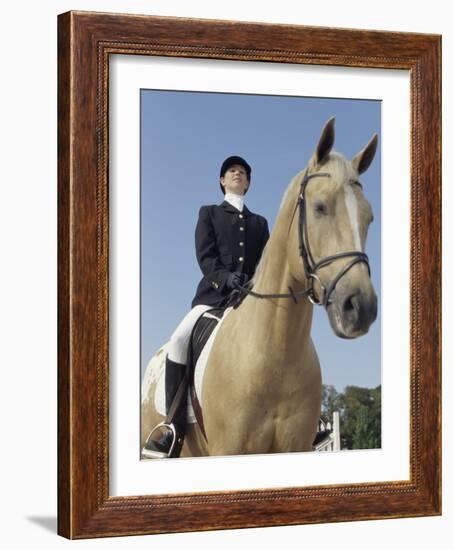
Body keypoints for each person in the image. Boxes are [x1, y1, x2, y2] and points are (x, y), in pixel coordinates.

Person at [144, 156, 270, 458]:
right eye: (232, 171)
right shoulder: (209, 213)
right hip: (213, 298)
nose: (237, 174)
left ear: (249, 183)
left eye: (243, 172)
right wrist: (225, 278)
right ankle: (172, 427)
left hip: (250, 300)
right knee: (178, 340)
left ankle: (305, 415)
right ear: (222, 181)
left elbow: (268, 262)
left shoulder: (260, 223)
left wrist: (255, 284)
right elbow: (205, 256)